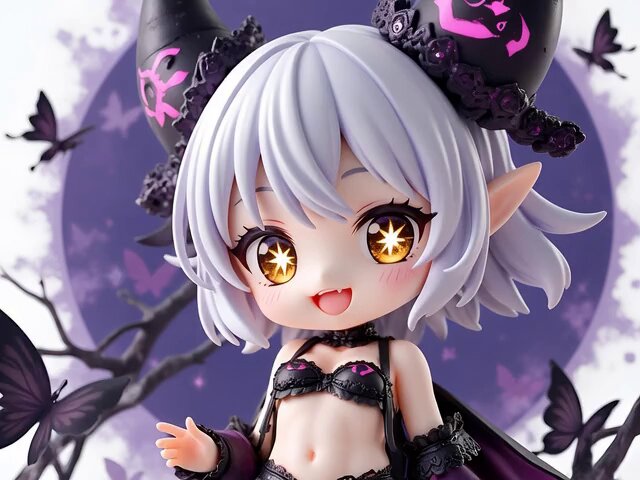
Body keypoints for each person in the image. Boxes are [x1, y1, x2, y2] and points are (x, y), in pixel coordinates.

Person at [152, 22, 603, 480]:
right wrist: (211, 453)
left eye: (387, 232)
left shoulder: (400, 360)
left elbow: (435, 456)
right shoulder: (288, 355)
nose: (324, 276)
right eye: (271, 252)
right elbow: (257, 442)